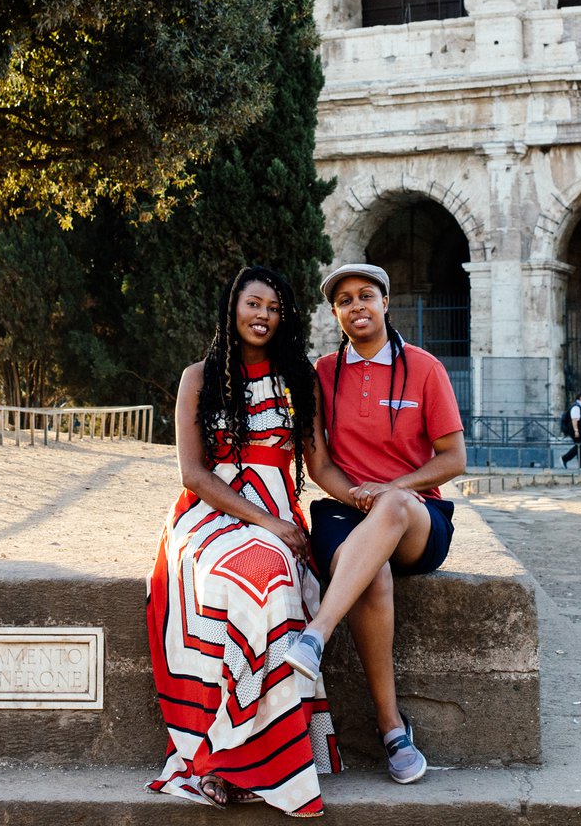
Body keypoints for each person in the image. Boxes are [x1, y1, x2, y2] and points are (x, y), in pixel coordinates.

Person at [147, 266, 342, 816]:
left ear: (286, 317)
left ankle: (246, 756)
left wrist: (367, 498)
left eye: (273, 308)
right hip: (207, 517)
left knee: (273, 580)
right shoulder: (198, 377)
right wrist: (268, 523)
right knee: (245, 581)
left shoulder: (298, 378)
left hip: (279, 515)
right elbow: (193, 473)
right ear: (232, 308)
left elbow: (319, 465)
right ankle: (229, 757)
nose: (262, 315)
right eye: (253, 304)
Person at [284, 263, 467, 786]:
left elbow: (454, 458)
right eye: (344, 300)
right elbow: (319, 465)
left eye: (366, 296)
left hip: (417, 517)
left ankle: (316, 634)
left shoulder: (426, 368)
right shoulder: (321, 373)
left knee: (392, 506)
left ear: (386, 303)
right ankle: (393, 730)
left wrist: (392, 489)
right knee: (374, 576)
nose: (356, 306)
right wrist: (358, 496)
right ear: (336, 313)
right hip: (345, 512)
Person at [560, 391, 581, 468]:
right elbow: (574, 420)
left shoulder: (579, 407)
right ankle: (564, 458)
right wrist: (576, 431)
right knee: (580, 446)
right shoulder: (576, 407)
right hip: (576, 431)